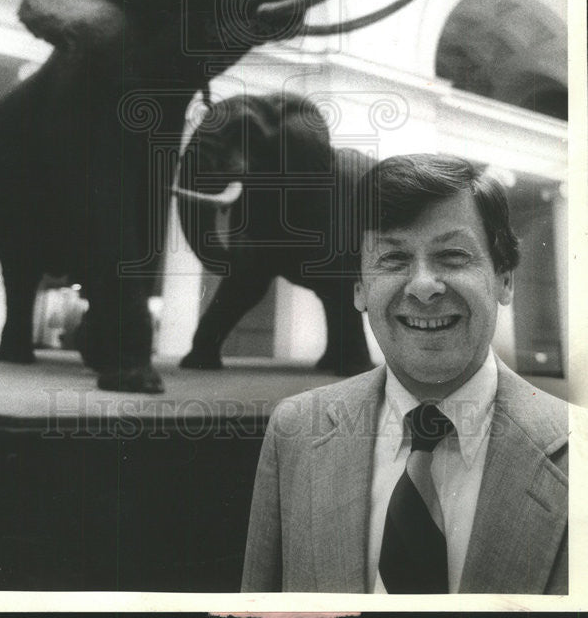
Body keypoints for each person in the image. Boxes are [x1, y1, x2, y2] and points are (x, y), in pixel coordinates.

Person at [241, 153, 570, 594]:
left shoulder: (579, 452)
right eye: (393, 259)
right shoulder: (295, 431)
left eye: (453, 256)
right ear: (359, 287)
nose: (422, 286)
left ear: (504, 279)